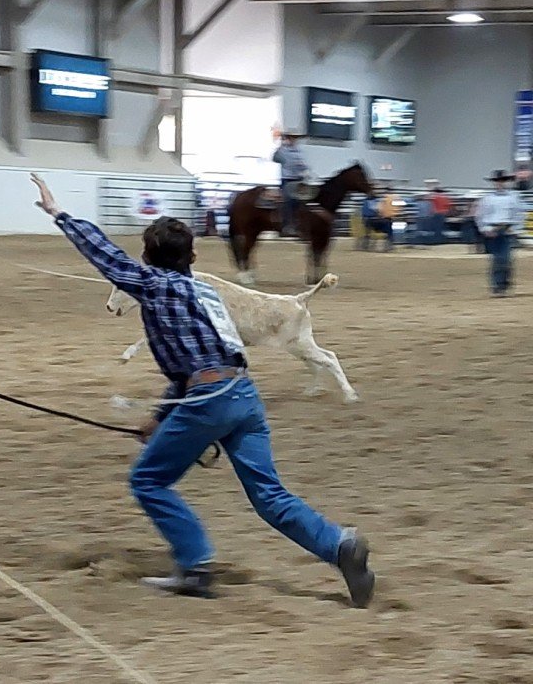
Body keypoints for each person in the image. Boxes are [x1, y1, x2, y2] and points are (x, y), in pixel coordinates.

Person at [29, 173, 375, 608]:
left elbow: (106, 257)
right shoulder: (201, 292)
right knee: (268, 494)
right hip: (243, 397)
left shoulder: (155, 286)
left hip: (209, 401)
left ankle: (194, 566)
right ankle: (339, 545)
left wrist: (59, 213)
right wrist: (159, 418)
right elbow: (191, 363)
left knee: (148, 480)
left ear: (149, 259)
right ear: (192, 255)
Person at [476, 169, 526, 296]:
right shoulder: (487, 199)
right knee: (497, 259)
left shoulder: (514, 197)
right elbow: (480, 216)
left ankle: (503, 284)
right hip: (492, 230)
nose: (500, 183)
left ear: (507, 182)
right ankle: (498, 286)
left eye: (503, 181)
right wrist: (485, 229)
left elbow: (519, 214)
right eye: (498, 181)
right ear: (494, 183)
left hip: (508, 229)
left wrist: (516, 229)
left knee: (505, 259)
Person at [272, 130, 309, 237]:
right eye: (292, 137)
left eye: (295, 138)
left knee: (303, 201)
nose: (294, 140)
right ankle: (286, 226)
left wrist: (304, 169)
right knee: (288, 201)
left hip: (298, 180)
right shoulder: (283, 150)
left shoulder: (299, 151)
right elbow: (275, 158)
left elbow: (304, 165)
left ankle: (299, 225)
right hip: (287, 179)